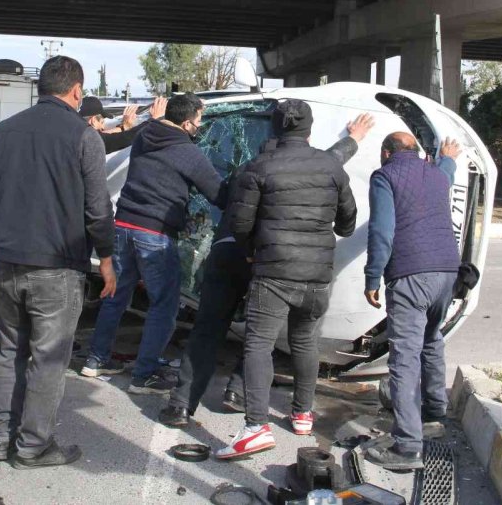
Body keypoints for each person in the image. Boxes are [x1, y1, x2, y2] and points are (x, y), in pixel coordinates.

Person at [159, 113, 375, 429]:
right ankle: (237, 390)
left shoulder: (248, 168)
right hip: (263, 257)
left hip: (227, 251)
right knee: (263, 332)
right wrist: (353, 139)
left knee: (208, 329)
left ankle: (181, 405)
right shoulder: (298, 168)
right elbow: (331, 161)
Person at [0, 55, 116, 468]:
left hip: (6, 261)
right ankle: (32, 447)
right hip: (56, 267)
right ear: (76, 91)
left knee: (8, 353)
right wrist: (107, 259)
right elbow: (98, 208)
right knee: (48, 359)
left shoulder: (3, 131)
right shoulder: (83, 135)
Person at [215, 99, 356, 459]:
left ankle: (256, 426)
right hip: (317, 274)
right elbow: (347, 222)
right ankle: (302, 413)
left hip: (273, 272)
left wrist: (251, 250)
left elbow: (240, 224)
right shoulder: (330, 166)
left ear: (275, 129)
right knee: (305, 342)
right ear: (309, 130)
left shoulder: (259, 166)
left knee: (259, 344)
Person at [82, 93, 227, 395]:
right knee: (164, 304)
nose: (200, 125)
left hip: (122, 225)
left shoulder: (147, 134)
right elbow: (219, 194)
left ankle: (96, 359)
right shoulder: (188, 152)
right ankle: (144, 374)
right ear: (187, 123)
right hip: (156, 233)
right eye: (199, 120)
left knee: (116, 296)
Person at [361, 133, 463, 471]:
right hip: (448, 270)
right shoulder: (435, 173)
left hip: (410, 274)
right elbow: (447, 174)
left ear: (386, 152)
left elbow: (382, 230)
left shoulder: (385, 176)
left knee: (403, 357)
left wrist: (373, 276)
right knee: (432, 341)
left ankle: (407, 447)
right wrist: (448, 156)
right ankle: (434, 415)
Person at [79, 95, 168, 154]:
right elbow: (125, 138)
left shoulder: (74, 131)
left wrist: (124, 126)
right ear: (93, 120)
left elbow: (107, 135)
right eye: (102, 122)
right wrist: (154, 119)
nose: (103, 128)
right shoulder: (90, 140)